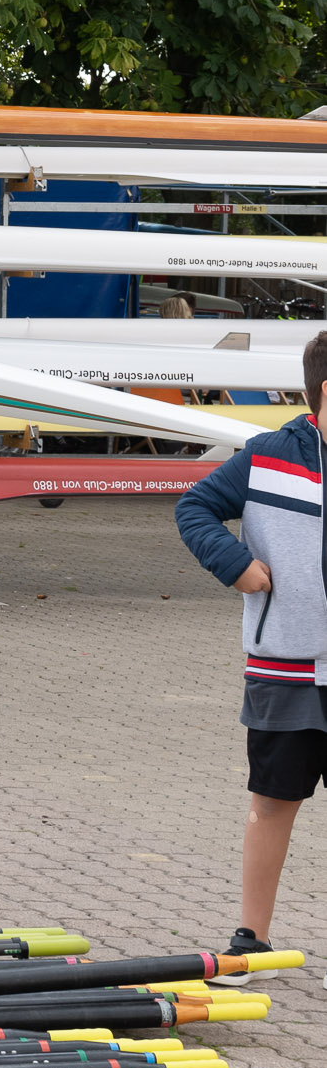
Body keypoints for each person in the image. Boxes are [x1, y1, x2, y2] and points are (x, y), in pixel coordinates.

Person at [177, 331, 327, 978]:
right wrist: (237, 564)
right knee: (272, 800)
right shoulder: (266, 458)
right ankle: (251, 936)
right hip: (284, 666)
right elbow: (196, 508)